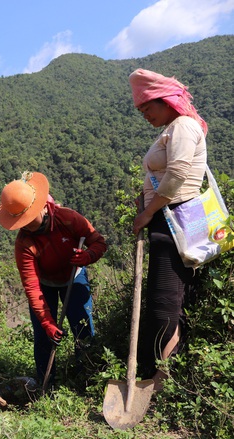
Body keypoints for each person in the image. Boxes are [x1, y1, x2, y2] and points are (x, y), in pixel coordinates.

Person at [129, 68, 207, 389]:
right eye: (141, 110)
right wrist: (143, 196)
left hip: (177, 220)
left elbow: (176, 176)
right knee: (167, 299)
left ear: (166, 101)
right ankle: (159, 376)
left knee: (166, 304)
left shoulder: (185, 127)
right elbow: (163, 174)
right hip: (168, 219)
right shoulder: (173, 128)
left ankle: (163, 382)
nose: (145, 114)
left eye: (148, 107)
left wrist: (147, 212)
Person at [0, 171, 107, 386]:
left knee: (83, 329)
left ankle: (86, 380)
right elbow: (32, 287)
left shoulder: (68, 218)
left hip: (74, 278)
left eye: (27, 219)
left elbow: (99, 242)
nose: (26, 225)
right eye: (20, 221)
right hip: (45, 285)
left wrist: (88, 256)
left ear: (40, 207)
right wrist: (47, 321)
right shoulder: (24, 243)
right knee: (43, 336)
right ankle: (47, 384)